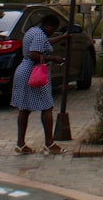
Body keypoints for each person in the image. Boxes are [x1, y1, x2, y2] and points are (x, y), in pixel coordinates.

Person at [11, 13, 70, 155]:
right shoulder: (39, 36)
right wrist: (53, 58)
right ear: (48, 26)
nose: (53, 32)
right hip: (35, 73)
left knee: (24, 108)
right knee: (47, 107)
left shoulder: (33, 31)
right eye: (53, 29)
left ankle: (20, 144)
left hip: (23, 71)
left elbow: (45, 42)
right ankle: (49, 144)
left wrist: (63, 37)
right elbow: (34, 54)